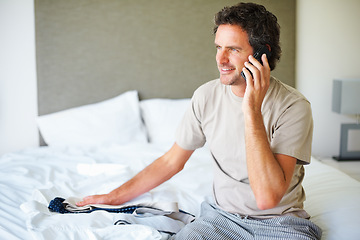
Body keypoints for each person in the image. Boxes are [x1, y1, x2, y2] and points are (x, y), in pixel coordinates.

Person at [77, 2, 322, 239]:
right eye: (218, 47)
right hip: (221, 219)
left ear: (263, 53)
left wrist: (252, 110)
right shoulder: (206, 96)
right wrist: (114, 196)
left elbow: (267, 198)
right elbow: (171, 161)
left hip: (281, 224)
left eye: (233, 49)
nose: (221, 59)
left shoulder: (293, 106)